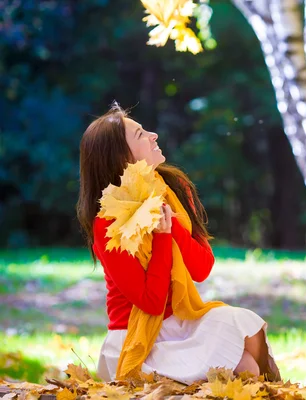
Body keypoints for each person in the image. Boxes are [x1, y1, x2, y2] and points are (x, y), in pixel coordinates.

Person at [76, 104, 280, 384]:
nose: (154, 135)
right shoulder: (108, 223)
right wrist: (161, 236)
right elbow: (151, 302)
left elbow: (201, 268)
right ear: (121, 157)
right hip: (138, 335)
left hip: (181, 322)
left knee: (244, 326)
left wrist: (172, 228)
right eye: (140, 134)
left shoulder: (174, 191)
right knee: (245, 367)